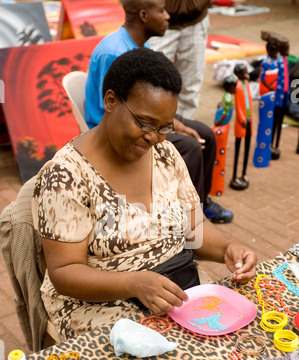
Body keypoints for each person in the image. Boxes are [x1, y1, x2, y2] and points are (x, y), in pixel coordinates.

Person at [32, 48, 257, 341]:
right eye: (145, 122)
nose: (154, 137)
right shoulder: (66, 176)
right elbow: (64, 271)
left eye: (164, 127)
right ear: (111, 101)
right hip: (100, 305)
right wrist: (134, 283)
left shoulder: (166, 154)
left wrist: (228, 248)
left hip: (172, 287)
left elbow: (195, 229)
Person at [85, 0, 233, 224]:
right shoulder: (114, 52)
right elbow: (117, 111)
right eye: (162, 11)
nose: (168, 16)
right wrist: (174, 128)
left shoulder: (138, 46)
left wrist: (177, 124)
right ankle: (182, 222)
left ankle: (199, 205)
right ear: (144, 15)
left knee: (206, 134)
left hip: (144, 117)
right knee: (191, 147)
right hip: (122, 126)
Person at [149, 0, 210, 120]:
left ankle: (183, 129)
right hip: (160, 20)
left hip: (196, 19)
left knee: (191, 86)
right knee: (150, 81)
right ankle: (150, 130)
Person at [210, 74, 237, 196]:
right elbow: (225, 115)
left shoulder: (228, 97)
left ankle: (216, 187)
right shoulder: (228, 99)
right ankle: (216, 187)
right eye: (234, 86)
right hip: (222, 126)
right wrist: (217, 123)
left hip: (223, 126)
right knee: (219, 156)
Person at [253, 41, 278, 168]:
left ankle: (265, 157)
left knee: (269, 126)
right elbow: (263, 80)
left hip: (272, 96)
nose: (275, 53)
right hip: (266, 96)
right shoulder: (266, 63)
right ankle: (260, 158)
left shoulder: (274, 62)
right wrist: (272, 87)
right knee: (264, 126)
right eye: (273, 51)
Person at [230, 63, 253, 190]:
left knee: (247, 147)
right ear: (238, 74)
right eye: (244, 72)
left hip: (250, 121)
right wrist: (243, 119)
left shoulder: (247, 84)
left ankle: (243, 173)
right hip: (242, 121)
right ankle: (234, 175)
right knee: (238, 149)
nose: (246, 74)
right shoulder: (237, 86)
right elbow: (238, 106)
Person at [271, 36, 290, 160]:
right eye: (286, 48)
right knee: (274, 122)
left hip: (285, 95)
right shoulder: (276, 61)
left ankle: (276, 144)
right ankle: (271, 144)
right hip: (277, 96)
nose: (288, 50)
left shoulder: (285, 60)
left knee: (280, 120)